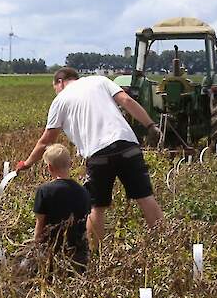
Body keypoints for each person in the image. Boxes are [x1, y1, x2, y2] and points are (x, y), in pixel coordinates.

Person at [16, 67, 164, 249]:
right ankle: (163, 245)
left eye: (54, 86)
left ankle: (96, 256)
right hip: (128, 145)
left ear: (60, 82)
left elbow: (46, 140)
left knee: (97, 207)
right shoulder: (100, 81)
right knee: (145, 197)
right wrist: (150, 125)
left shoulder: (60, 100)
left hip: (98, 154)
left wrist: (28, 163)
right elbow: (126, 100)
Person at [33, 144, 91, 272]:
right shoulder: (83, 191)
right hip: (77, 253)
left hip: (51, 250)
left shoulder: (44, 191)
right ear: (70, 164)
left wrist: (36, 247)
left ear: (49, 167)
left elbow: (40, 223)